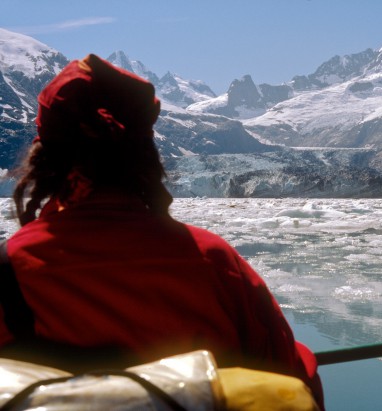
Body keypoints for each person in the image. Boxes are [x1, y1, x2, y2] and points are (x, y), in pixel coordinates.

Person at [0, 54, 323, 408]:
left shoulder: (11, 269)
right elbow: (289, 379)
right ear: (146, 152)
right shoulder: (212, 261)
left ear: (43, 156)